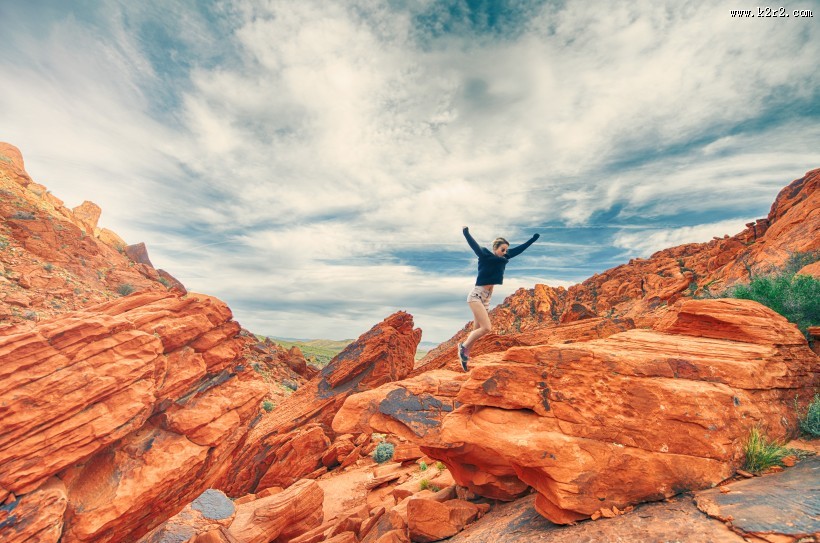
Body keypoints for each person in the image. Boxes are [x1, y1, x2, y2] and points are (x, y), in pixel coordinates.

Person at [458, 226, 539, 371]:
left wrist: (532, 239)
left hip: (486, 298)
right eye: (502, 250)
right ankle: (463, 347)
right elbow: (474, 246)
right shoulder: (484, 255)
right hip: (476, 295)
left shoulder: (505, 256)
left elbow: (520, 249)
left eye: (506, 250)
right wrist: (466, 233)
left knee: (477, 329)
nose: (505, 252)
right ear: (495, 248)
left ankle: (465, 355)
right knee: (486, 328)